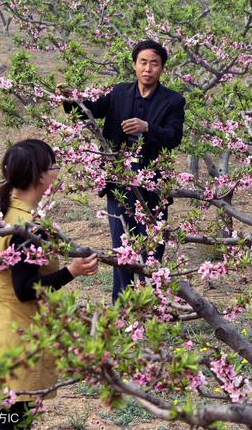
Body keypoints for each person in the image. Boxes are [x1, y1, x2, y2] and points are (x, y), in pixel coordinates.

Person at [0, 139, 99, 430]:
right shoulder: (25, 228)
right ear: (40, 176)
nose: (57, 172)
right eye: (54, 166)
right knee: (14, 416)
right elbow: (25, 289)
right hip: (16, 331)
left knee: (9, 412)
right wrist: (71, 271)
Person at [60, 39, 185, 302]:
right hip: (118, 182)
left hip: (152, 185)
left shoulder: (173, 100)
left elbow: (174, 137)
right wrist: (70, 98)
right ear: (134, 65)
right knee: (122, 246)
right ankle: (122, 304)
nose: (148, 68)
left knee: (152, 246)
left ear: (162, 68)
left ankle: (150, 304)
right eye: (143, 62)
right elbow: (88, 112)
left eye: (154, 63)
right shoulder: (119, 93)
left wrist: (147, 127)